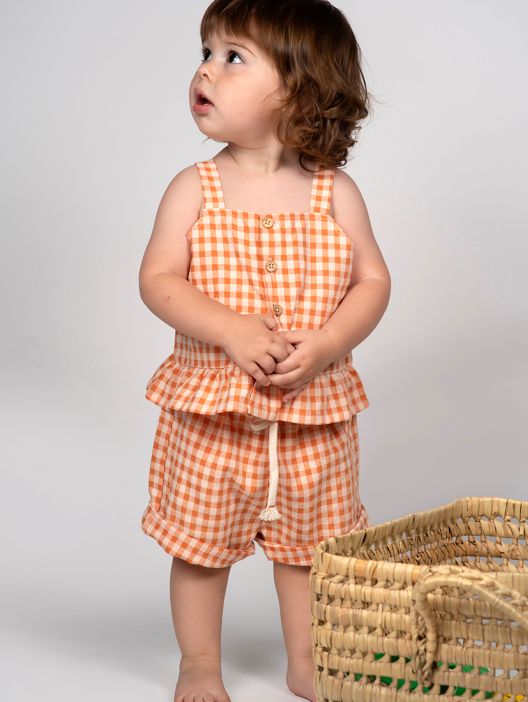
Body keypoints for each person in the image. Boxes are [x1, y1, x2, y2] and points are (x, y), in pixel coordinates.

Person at [138, 1, 391, 700]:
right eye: (206, 52)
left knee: (310, 551)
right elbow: (157, 280)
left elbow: (373, 281)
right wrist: (229, 327)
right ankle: (199, 663)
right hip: (214, 413)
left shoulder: (333, 193)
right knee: (200, 548)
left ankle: (306, 661)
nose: (205, 70)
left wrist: (330, 341)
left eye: (233, 57)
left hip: (313, 414)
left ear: (300, 88)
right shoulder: (195, 188)